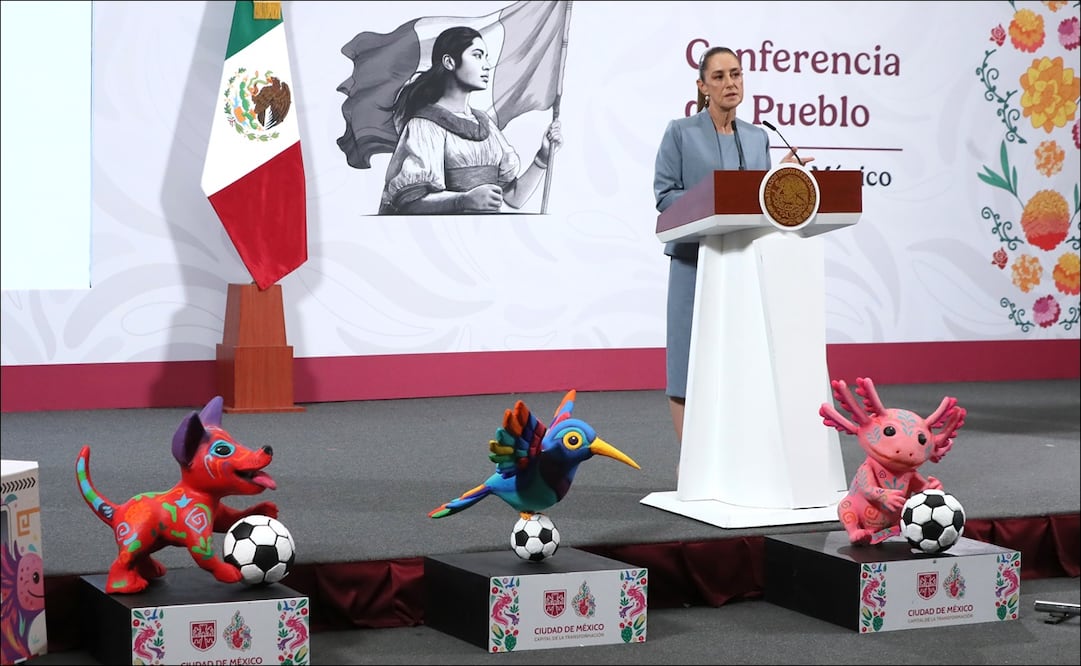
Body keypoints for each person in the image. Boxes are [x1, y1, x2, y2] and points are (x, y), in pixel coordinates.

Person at [653, 46, 812, 445]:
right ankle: (690, 460)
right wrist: (711, 203)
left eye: (736, 74)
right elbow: (665, 195)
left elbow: (757, 201)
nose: (730, 83)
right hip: (694, 260)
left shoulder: (759, 137)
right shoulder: (680, 132)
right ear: (703, 86)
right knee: (687, 362)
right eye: (720, 76)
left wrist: (781, 178)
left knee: (739, 361)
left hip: (742, 262)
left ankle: (734, 455)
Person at [379, 26, 563, 215]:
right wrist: (463, 200)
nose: (486, 65)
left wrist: (543, 157)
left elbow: (514, 198)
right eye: (477, 55)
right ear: (449, 62)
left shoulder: (486, 124)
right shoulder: (424, 125)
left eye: (485, 57)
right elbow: (410, 204)